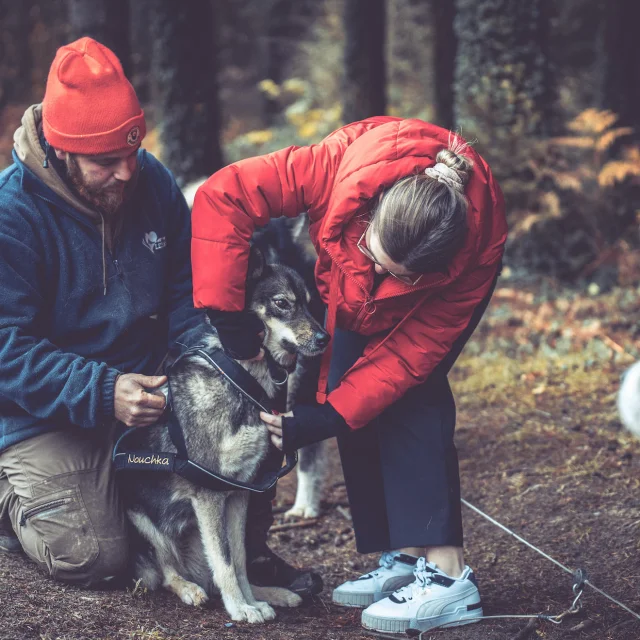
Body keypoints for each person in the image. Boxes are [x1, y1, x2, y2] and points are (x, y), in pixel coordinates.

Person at [0, 37, 320, 597]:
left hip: (154, 396)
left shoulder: (152, 182)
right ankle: (18, 499)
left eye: (133, 151)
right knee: (96, 559)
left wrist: (218, 363)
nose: (128, 172)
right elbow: (7, 346)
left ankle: (196, 534)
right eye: (106, 161)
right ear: (62, 149)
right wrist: (102, 389)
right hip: (45, 412)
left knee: (244, 446)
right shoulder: (12, 215)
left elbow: (186, 295)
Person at [191, 117, 507, 633]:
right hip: (352, 264)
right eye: (372, 255)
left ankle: (448, 578)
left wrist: (326, 419)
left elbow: (405, 361)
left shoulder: (468, 261)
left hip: (442, 294)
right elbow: (223, 196)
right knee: (345, 374)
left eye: (396, 277)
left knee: (413, 392)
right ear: (373, 208)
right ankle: (406, 558)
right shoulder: (331, 167)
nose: (378, 278)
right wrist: (228, 314)